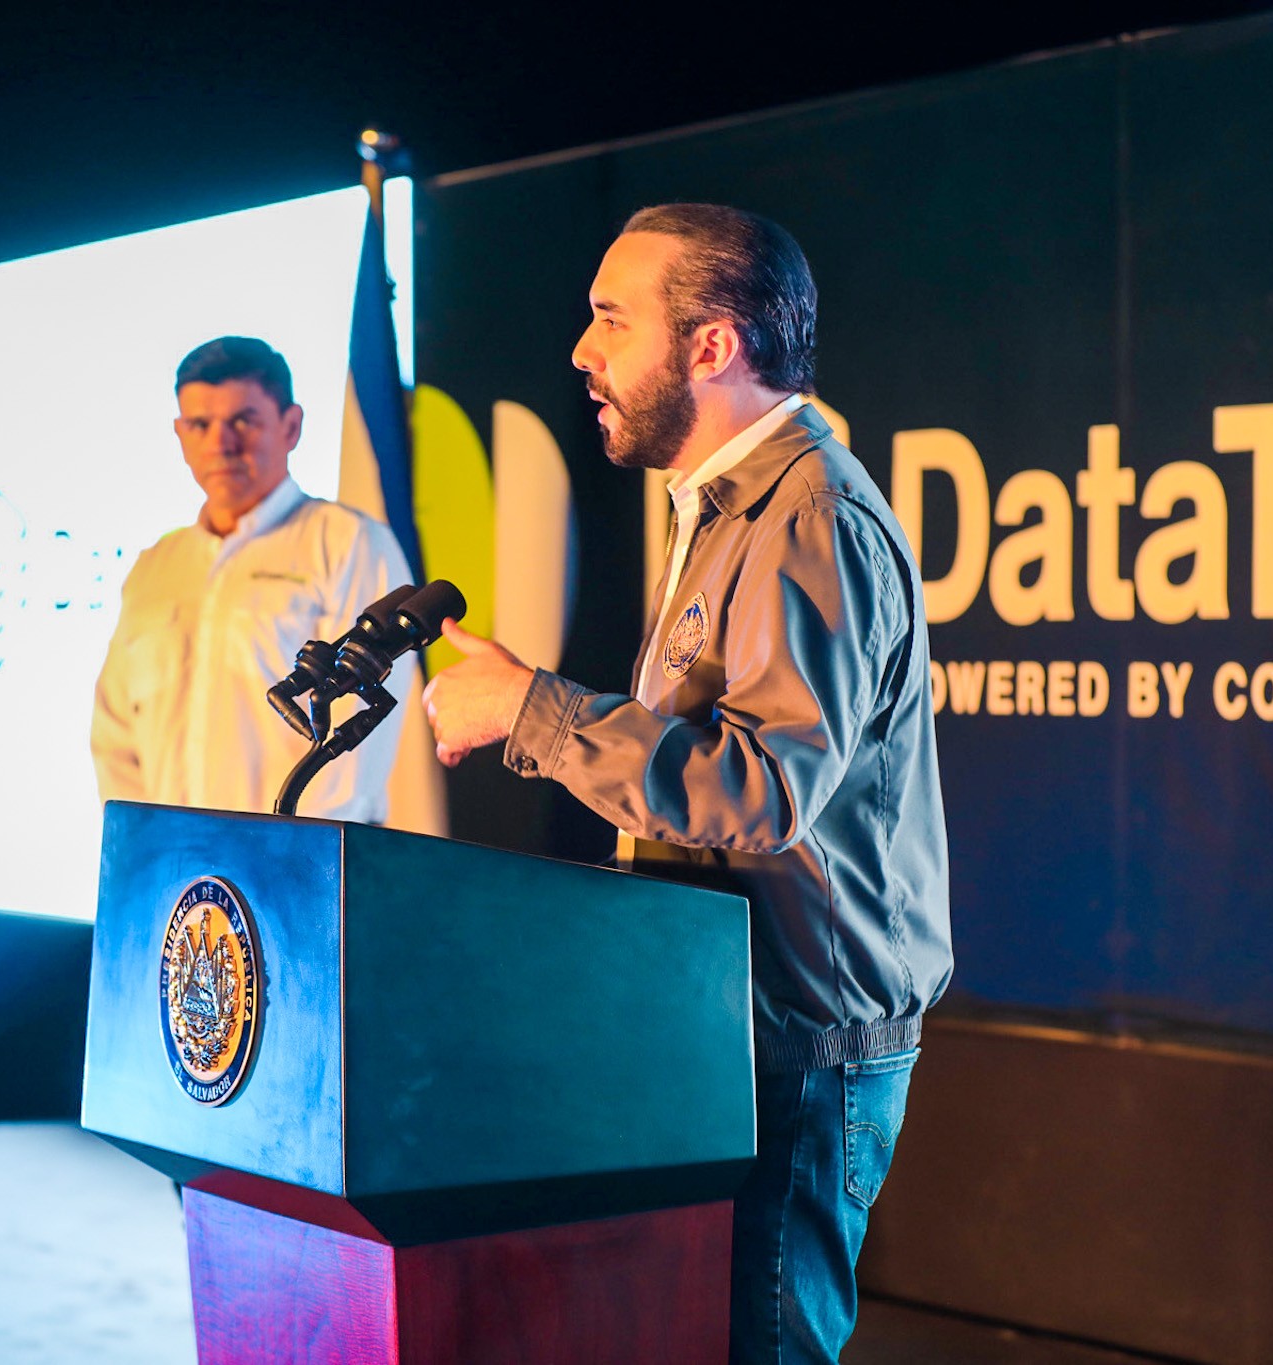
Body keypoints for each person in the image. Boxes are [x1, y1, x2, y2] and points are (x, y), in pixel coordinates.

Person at [422, 204, 953, 1363]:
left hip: (796, 1052)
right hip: (725, 1028)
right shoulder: (726, 507)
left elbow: (758, 794)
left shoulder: (806, 517)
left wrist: (528, 711)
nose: (582, 352)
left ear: (710, 346)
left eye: (611, 319)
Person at [92, 336, 415, 820]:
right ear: (180, 434)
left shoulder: (349, 543)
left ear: (291, 426)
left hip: (294, 857)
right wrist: (144, 841)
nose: (220, 444)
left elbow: (358, 739)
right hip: (170, 860)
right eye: (200, 425)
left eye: (243, 420)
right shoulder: (154, 567)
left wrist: (289, 854)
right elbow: (115, 734)